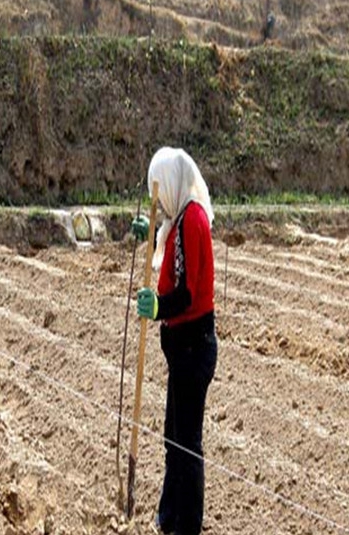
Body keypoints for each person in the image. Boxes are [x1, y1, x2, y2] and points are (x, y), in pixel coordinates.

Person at [131, 147, 218, 535]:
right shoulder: (179, 219)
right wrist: (148, 234)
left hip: (192, 347)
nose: (158, 199)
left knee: (187, 444)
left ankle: (188, 526)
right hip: (181, 347)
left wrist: (158, 308)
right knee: (173, 437)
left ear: (170, 184)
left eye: (159, 188)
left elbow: (186, 292)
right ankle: (169, 516)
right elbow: (167, 252)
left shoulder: (192, 222)